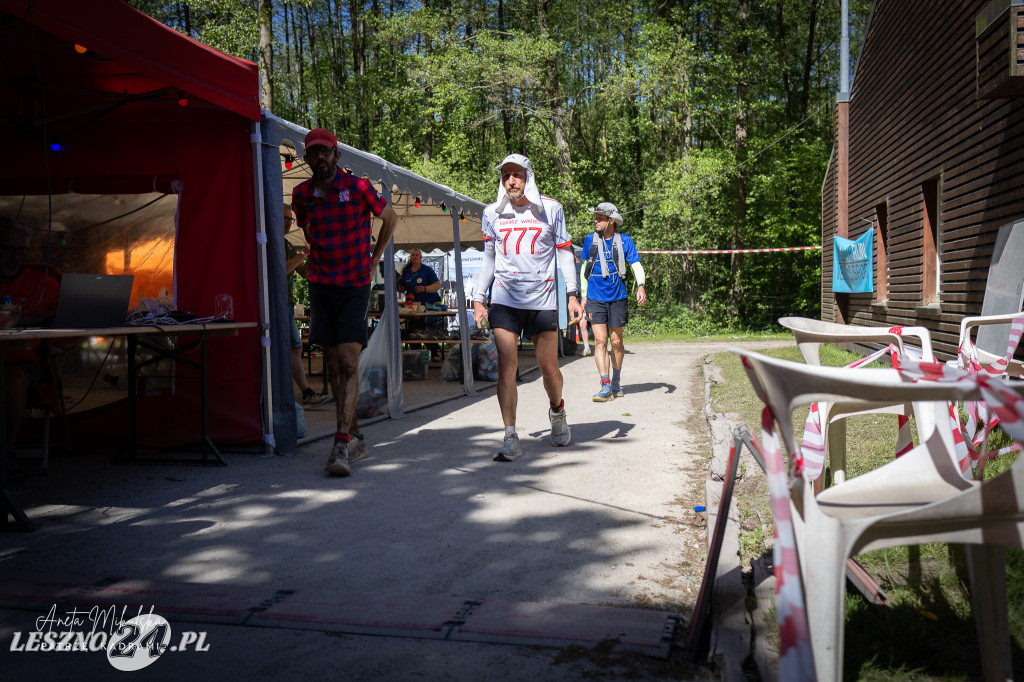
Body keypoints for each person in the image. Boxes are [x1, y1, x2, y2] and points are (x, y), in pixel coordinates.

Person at [293, 128, 398, 476]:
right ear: (306, 159)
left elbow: (391, 218)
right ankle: (354, 436)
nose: (320, 158)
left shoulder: (358, 187)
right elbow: (307, 231)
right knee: (334, 366)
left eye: (325, 152)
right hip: (321, 285)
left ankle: (340, 444)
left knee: (349, 361)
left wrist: (373, 262)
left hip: (354, 284)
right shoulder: (301, 195)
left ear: (337, 155)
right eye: (313, 153)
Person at [472, 154, 583, 462]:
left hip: (543, 299)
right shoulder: (491, 214)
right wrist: (479, 299)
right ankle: (510, 435)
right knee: (507, 365)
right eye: (506, 175)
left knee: (548, 367)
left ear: (528, 177)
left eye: (516, 174)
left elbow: (563, 254)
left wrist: (572, 295)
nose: (511, 180)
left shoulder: (551, 209)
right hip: (505, 300)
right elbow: (489, 259)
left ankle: (557, 411)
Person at [0, 217, 60, 455]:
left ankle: (4, 457)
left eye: (21, 250)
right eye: (9, 249)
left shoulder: (40, 282)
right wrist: (27, 318)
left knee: (12, 378)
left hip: (22, 362)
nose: (16, 257)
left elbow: (68, 310)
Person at [579, 202, 646, 402]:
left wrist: (641, 285)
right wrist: (583, 295)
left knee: (616, 341)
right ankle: (605, 384)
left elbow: (636, 264)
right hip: (594, 296)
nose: (596, 220)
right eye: (596, 217)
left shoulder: (625, 240)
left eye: (600, 217)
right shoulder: (590, 240)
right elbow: (584, 269)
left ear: (611, 221)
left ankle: (616, 381)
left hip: (618, 296)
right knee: (600, 341)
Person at [284, 207, 330, 407]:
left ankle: (305, 392)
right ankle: (302, 392)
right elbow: (283, 269)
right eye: (286, 219)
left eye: (291, 220)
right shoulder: (270, 242)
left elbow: (303, 273)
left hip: (285, 304)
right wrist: (305, 252)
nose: (289, 223)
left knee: (295, 347)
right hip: (276, 304)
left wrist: (313, 256)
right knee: (293, 347)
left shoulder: (286, 243)